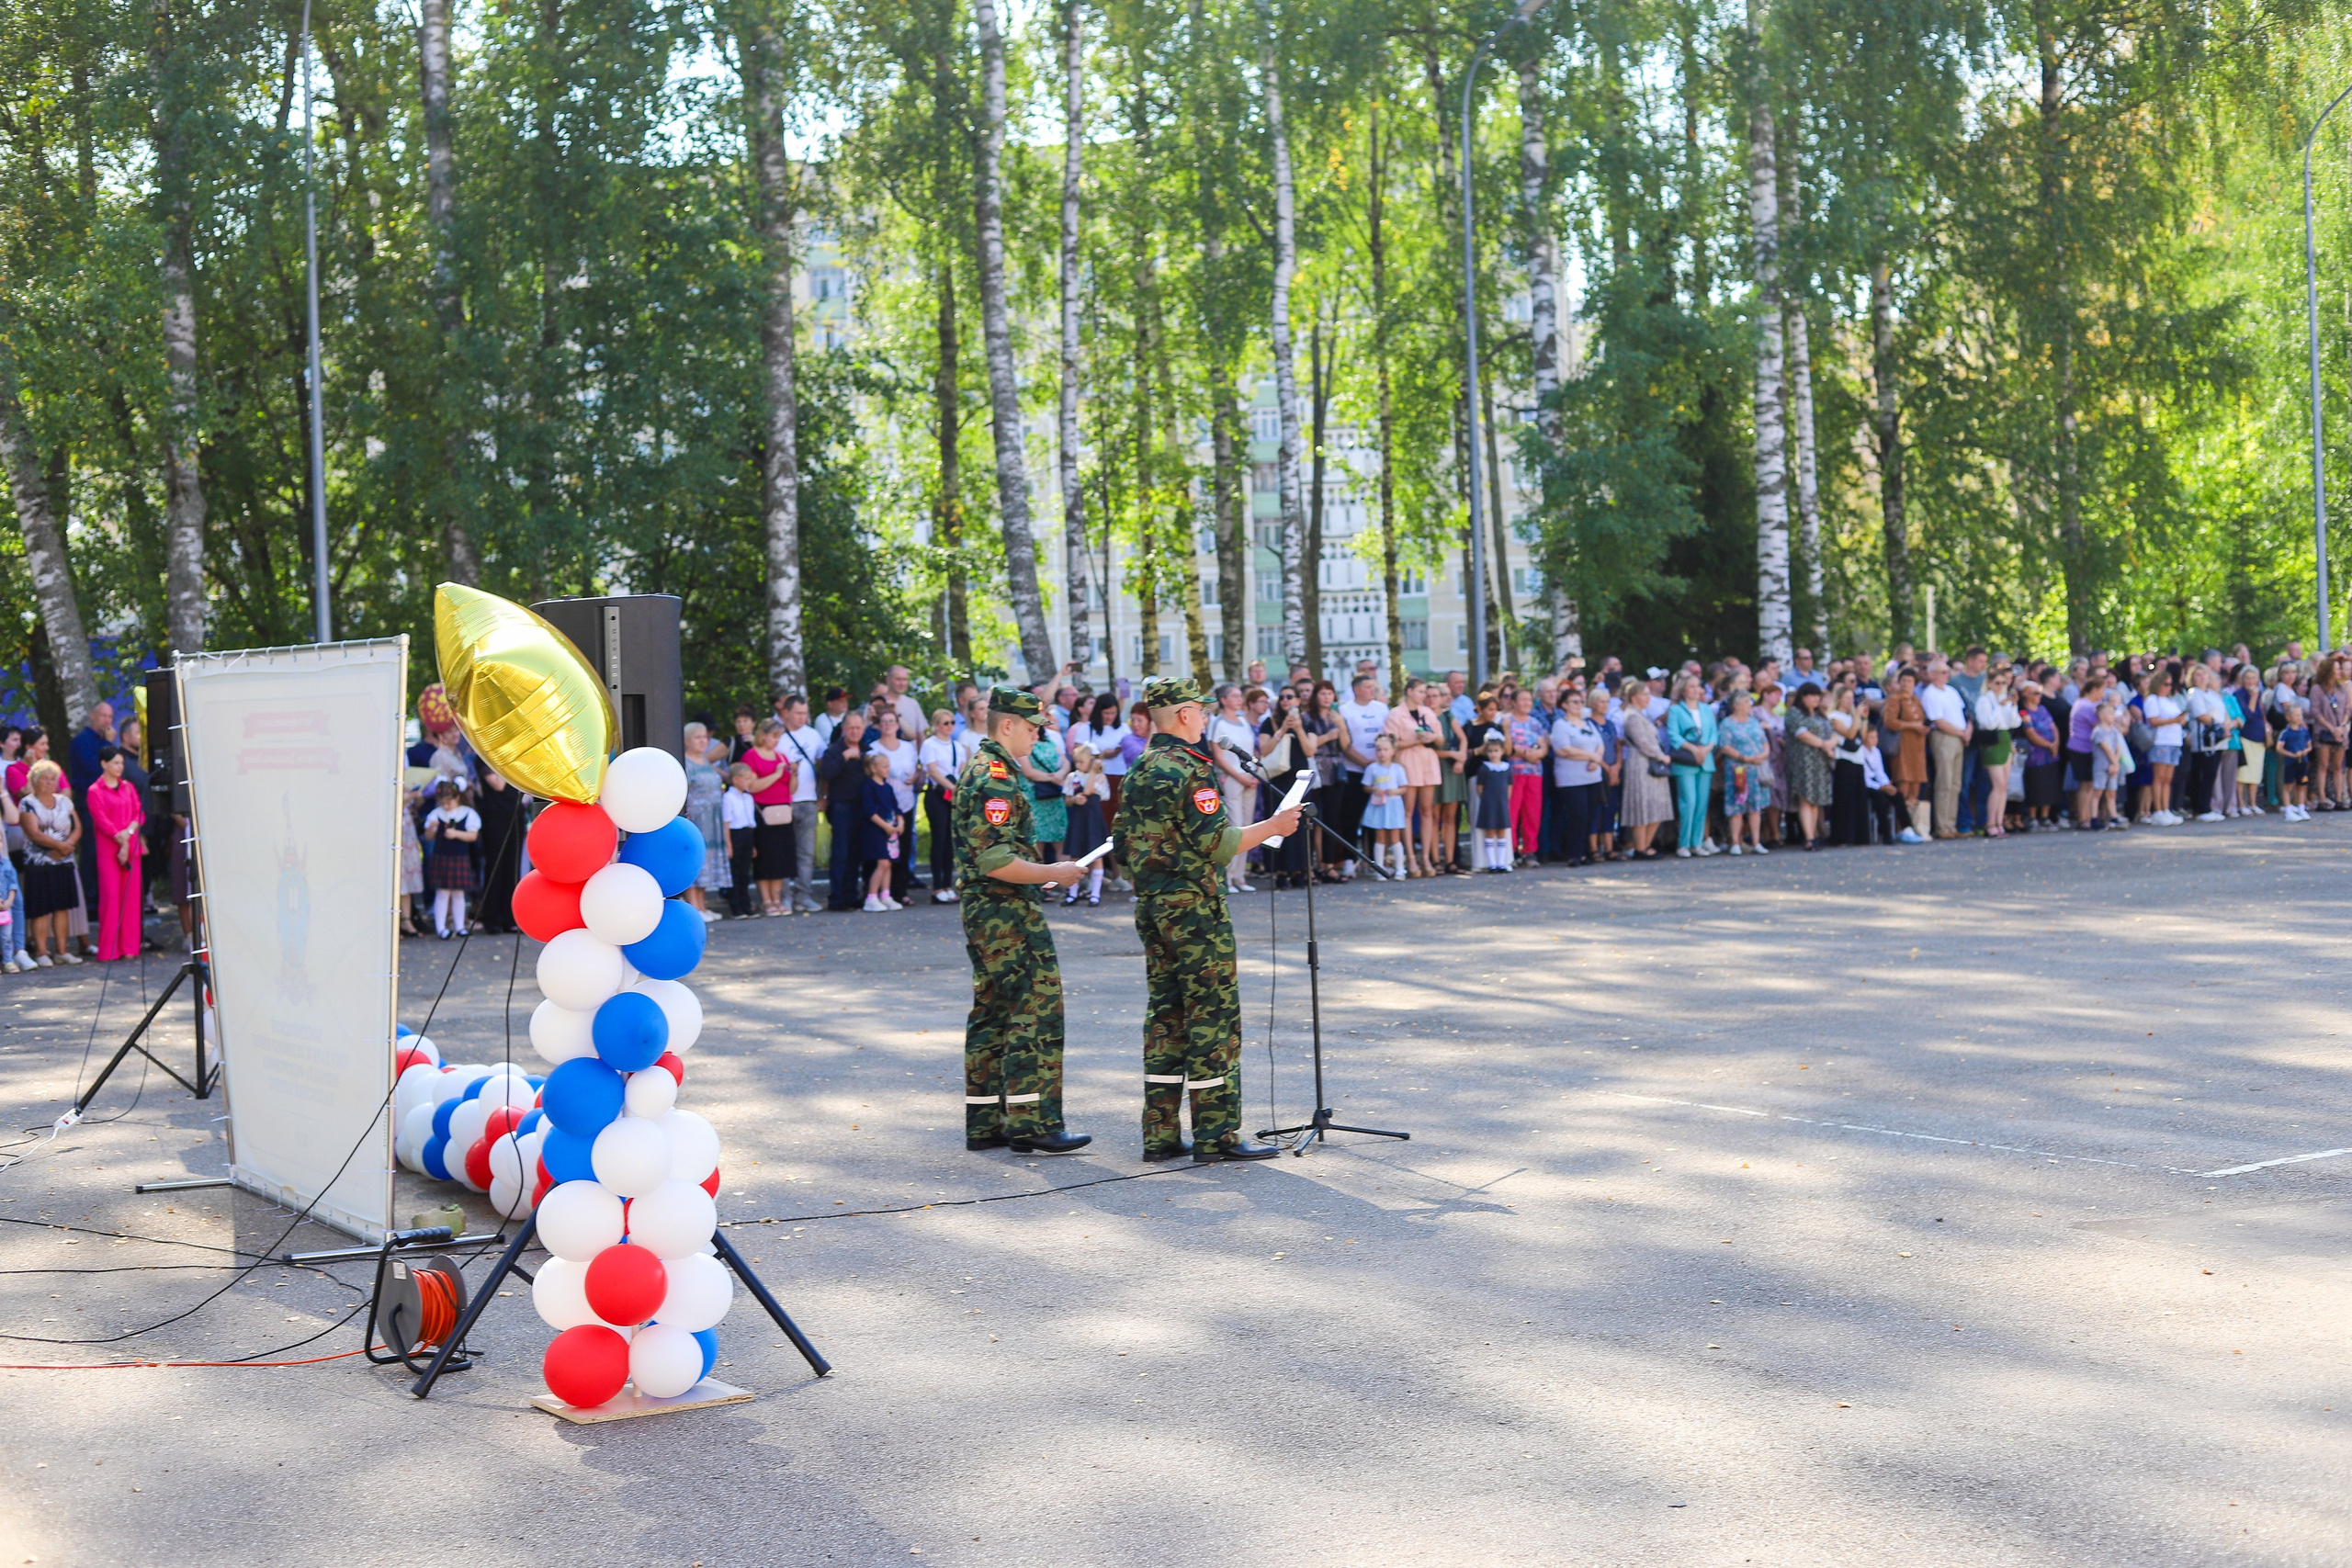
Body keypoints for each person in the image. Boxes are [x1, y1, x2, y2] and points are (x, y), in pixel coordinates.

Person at [1114, 675, 1301, 1163]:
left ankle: (1160, 1133)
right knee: (1212, 1018)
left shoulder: (1139, 771)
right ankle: (1215, 1134)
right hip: (1195, 913)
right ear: (1182, 715)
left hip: (1152, 909)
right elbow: (1218, 844)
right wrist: (1274, 827)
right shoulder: (1189, 771)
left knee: (1166, 1016)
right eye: (1199, 709)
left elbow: (1120, 851)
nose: (1204, 717)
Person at [954, 688, 1092, 1155]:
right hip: (1003, 908)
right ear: (1007, 724)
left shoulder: (991, 770)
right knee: (1037, 1007)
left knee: (993, 1010)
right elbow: (995, 859)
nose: (1036, 737)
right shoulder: (994, 777)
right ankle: (1033, 1122)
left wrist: (1044, 875)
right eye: (1032, 728)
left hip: (991, 906)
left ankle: (986, 1120)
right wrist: (1054, 873)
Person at [1255, 685, 1324, 890]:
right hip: (1277, 780)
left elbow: (1310, 750)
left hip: (1299, 780)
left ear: (1297, 700)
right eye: (1282, 697)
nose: (1286, 700)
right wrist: (1283, 729)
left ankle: (1299, 871)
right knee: (1277, 823)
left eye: (1290, 697)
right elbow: (1264, 750)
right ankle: (1280, 872)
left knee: (1299, 825)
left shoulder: (1308, 721)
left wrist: (1299, 728)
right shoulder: (1269, 722)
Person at [85, 744, 145, 961]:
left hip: (130, 847)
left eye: (121, 763)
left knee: (130, 898)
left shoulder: (128, 787)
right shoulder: (95, 791)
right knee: (111, 898)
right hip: (109, 850)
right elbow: (101, 821)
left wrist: (127, 836)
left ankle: (129, 947)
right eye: (116, 763)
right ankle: (109, 949)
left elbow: (139, 814)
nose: (120, 767)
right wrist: (121, 840)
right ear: (104, 764)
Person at [18, 760, 80, 965]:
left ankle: (62, 950)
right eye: (44, 778)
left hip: (63, 861)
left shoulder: (64, 801)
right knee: (41, 908)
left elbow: (77, 826)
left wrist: (67, 845)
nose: (49, 782)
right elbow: (33, 832)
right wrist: (59, 846)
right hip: (39, 863)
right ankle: (42, 952)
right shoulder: (27, 803)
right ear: (34, 781)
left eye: (53, 779)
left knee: (62, 907)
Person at [773, 695, 827, 914]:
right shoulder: (776, 736)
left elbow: (823, 767)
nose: (802, 717)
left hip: (808, 800)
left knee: (806, 853)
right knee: (784, 852)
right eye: (798, 713)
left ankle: (803, 896)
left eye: (805, 713)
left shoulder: (813, 735)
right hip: (782, 802)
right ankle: (784, 897)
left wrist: (823, 795)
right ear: (785, 713)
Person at [1204, 683, 1261, 892]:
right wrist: (1240, 776)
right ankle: (1226, 877)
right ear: (1224, 700)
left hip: (1249, 777)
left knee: (1248, 824)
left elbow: (1251, 749)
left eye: (1240, 696)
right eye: (1235, 696)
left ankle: (1240, 877)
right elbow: (1218, 756)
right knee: (1234, 826)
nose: (1239, 699)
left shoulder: (1244, 721)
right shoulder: (1217, 723)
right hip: (1231, 778)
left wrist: (1253, 773)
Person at [741, 719, 796, 916]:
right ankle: (766, 900)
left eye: (779, 737)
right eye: (773, 736)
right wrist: (776, 774)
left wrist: (793, 774)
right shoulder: (751, 756)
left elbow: (791, 787)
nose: (776, 741)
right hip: (762, 811)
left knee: (781, 858)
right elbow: (752, 786)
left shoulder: (782, 756)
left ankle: (777, 899)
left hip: (783, 811)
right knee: (765, 857)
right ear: (763, 735)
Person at [918, 708, 970, 905]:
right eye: (945, 723)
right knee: (938, 839)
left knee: (951, 841)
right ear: (937, 725)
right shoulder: (929, 745)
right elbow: (933, 771)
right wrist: (953, 788)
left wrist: (958, 787)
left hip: (952, 795)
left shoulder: (957, 746)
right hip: (937, 794)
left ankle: (948, 885)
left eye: (952, 723)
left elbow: (962, 769)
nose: (949, 726)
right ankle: (938, 886)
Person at [820, 712, 870, 910]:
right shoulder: (834, 750)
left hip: (862, 807)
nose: (855, 732)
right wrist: (844, 757)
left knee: (856, 854)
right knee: (840, 853)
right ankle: (837, 897)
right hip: (841, 806)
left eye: (859, 728)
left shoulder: (867, 749)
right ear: (843, 729)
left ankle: (851, 894)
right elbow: (826, 773)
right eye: (851, 728)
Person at [1665, 674, 1719, 858]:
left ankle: (1697, 843)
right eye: (1692, 686)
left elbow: (1713, 734)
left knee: (1702, 804)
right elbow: (1673, 735)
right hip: (1686, 760)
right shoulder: (1676, 710)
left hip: (1706, 760)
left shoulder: (1706, 709)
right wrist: (1694, 750)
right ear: (1684, 690)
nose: (1697, 690)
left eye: (1698, 686)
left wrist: (1706, 749)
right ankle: (1683, 843)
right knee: (1689, 802)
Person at [680, 726, 729, 921]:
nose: (702, 741)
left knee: (707, 860)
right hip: (697, 817)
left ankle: (703, 905)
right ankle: (694, 906)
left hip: (713, 819)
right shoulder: (686, 762)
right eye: (697, 737)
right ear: (687, 740)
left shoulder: (707, 762)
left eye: (704, 737)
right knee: (696, 859)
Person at [1616, 689, 1672, 860]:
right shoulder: (1632, 716)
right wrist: (1660, 755)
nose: (1648, 698)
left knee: (1656, 804)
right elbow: (1643, 742)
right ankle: (1640, 847)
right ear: (1634, 697)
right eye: (1644, 694)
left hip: (1653, 763)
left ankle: (1647, 845)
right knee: (1641, 805)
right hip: (1640, 764)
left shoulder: (1642, 715)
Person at [421, 779, 481, 938]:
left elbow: (473, 836)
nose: (446, 806)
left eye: (449, 803)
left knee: (459, 893)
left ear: (457, 798)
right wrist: (431, 829)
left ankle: (459, 926)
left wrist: (456, 834)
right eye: (443, 803)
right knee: (442, 893)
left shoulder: (468, 813)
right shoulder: (436, 814)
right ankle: (441, 928)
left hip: (459, 857)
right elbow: (428, 837)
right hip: (442, 857)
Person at [1717, 692, 1772, 855]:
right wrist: (1745, 758)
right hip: (1738, 770)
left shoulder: (1754, 722)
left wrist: (1763, 755)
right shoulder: (1727, 724)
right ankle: (1735, 842)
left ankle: (1756, 841)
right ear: (1737, 705)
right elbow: (1725, 746)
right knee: (1737, 805)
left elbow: (1764, 742)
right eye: (1747, 702)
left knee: (1755, 807)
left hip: (1756, 770)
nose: (1750, 705)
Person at [1919, 662, 1970, 839]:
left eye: (1948, 672)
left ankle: (1951, 823)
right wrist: (1961, 733)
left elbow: (1964, 712)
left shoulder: (1951, 691)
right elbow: (1938, 720)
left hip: (1959, 737)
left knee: (1955, 784)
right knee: (1944, 783)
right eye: (1942, 672)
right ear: (1932, 674)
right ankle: (1942, 826)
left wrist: (1966, 731)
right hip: (1944, 737)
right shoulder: (1930, 694)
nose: (1946, 675)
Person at [1785, 686, 1838, 850]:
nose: (1816, 699)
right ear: (1803, 697)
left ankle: (1813, 835)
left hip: (1820, 763)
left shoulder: (1820, 715)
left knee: (1816, 801)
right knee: (1806, 799)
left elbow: (1834, 733)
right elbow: (1801, 734)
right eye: (1812, 696)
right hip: (1803, 763)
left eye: (1818, 696)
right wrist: (1824, 745)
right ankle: (1808, 837)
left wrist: (1830, 744)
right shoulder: (1794, 713)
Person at [1058, 745, 1111, 906]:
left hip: (1093, 820)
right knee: (1075, 855)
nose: (1078, 765)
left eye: (1082, 762)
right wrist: (1074, 800)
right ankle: (1072, 894)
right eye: (1076, 762)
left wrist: (1094, 771)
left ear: (1092, 761)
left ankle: (1095, 894)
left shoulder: (1099, 777)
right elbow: (1067, 799)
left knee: (1097, 856)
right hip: (1078, 820)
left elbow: (1089, 791)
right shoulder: (1072, 777)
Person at [1883, 667, 1929, 842]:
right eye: (1903, 681)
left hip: (1917, 748)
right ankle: (1900, 827)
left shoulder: (1916, 700)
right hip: (1902, 747)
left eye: (1910, 681)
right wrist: (1912, 726)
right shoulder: (1895, 699)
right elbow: (1890, 722)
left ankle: (1914, 826)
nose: (1906, 684)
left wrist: (1923, 727)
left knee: (1915, 788)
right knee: (1902, 786)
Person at [1973, 667, 2019, 838]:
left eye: (2003, 683)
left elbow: (2014, 723)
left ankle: (1999, 822)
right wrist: (1999, 707)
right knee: (1998, 784)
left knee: (2004, 786)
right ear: (1989, 683)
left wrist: (2012, 705)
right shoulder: (1984, 700)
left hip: (2005, 739)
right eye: (1997, 683)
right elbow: (1988, 724)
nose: (2000, 686)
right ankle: (1990, 822)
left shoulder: (2003, 699)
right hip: (1992, 740)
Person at [858, 750, 905, 912]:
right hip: (876, 830)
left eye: (888, 766)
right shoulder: (868, 786)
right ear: (873, 768)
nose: (887, 769)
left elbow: (896, 807)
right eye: (884, 766)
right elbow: (869, 811)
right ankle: (871, 897)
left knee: (889, 864)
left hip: (890, 830)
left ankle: (886, 895)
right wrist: (885, 826)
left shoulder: (888, 787)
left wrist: (900, 821)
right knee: (882, 862)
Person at [1359, 734, 1409, 880]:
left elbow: (1404, 787)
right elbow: (1366, 787)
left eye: (1386, 749)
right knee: (1379, 836)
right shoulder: (1372, 768)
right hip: (1378, 806)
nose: (1382, 753)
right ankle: (1379, 868)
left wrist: (1395, 792)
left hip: (1393, 805)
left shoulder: (1398, 768)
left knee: (1395, 836)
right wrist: (1375, 790)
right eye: (1379, 750)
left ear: (1393, 751)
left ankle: (1400, 869)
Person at [1472, 734, 1514, 870]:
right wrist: (1486, 799)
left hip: (1501, 804)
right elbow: (1480, 788)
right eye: (1490, 751)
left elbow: (1509, 786)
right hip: (1489, 804)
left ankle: (1501, 863)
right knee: (1489, 831)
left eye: (1496, 751)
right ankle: (1492, 864)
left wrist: (1505, 800)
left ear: (1502, 751)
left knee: (1501, 831)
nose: (1493, 754)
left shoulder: (1506, 768)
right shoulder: (1484, 768)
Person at [721, 761, 759, 917]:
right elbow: (726, 823)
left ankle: (746, 905)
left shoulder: (748, 798)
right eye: (746, 779)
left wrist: (753, 845)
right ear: (735, 779)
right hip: (735, 835)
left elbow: (750, 821)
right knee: (735, 872)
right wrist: (729, 844)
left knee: (744, 873)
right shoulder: (728, 798)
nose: (749, 782)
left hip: (747, 835)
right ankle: (736, 907)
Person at [2278, 703, 2312, 819]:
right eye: (2296, 715)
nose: (2299, 718)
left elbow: (2309, 746)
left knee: (2302, 785)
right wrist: (2291, 754)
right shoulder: (2286, 733)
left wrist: (2304, 752)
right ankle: (2288, 810)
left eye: (2300, 715)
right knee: (2288, 785)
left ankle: (2301, 808)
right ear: (2288, 717)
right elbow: (2279, 748)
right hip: (2290, 763)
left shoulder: (2304, 731)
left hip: (2302, 762)